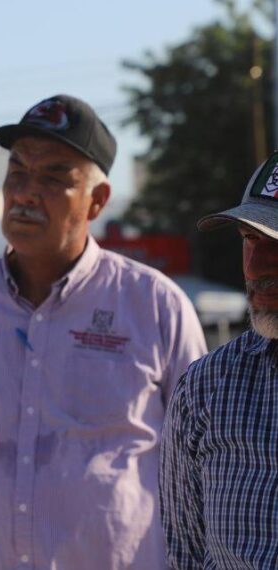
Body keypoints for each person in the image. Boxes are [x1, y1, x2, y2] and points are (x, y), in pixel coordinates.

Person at [0, 94, 208, 569]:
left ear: (97, 201)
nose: (26, 192)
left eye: (55, 177)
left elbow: (203, 476)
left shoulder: (156, 309)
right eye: (17, 172)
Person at [160, 152, 278, 568]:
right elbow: (185, 555)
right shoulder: (208, 387)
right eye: (249, 238)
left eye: (276, 241)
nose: (255, 265)